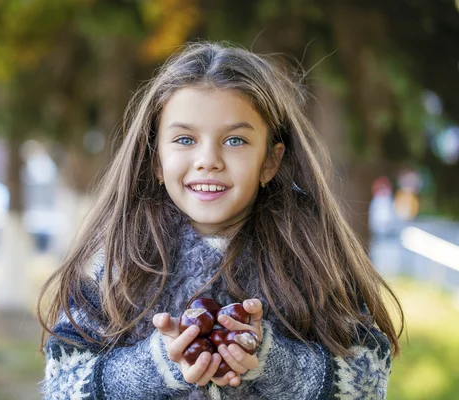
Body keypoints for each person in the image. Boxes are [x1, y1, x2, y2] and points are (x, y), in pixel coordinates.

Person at [37, 41, 405, 400]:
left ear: (270, 161)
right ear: (155, 159)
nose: (208, 159)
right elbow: (63, 386)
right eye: (184, 139)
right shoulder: (114, 257)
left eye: (234, 141)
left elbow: (369, 382)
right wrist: (158, 364)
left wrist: (268, 359)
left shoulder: (313, 254)